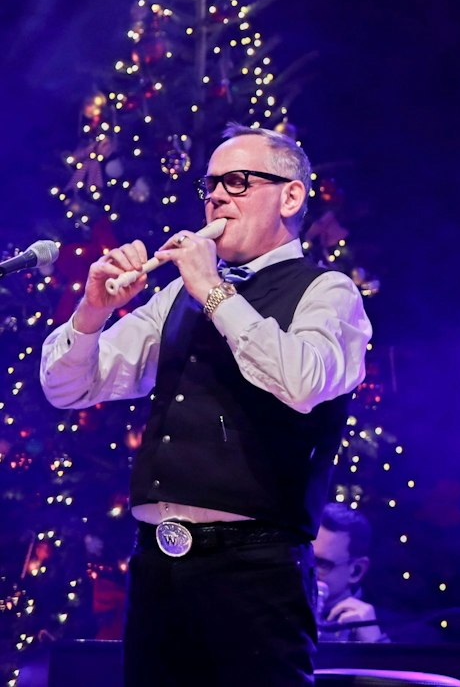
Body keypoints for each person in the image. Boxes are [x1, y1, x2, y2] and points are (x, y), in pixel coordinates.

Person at [40, 124, 373, 686]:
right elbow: (68, 389)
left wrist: (216, 292)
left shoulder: (328, 290)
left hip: (254, 569)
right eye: (211, 183)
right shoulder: (177, 293)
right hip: (158, 565)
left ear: (290, 196)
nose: (216, 196)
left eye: (238, 181)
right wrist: (92, 314)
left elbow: (305, 380)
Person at [315, 502, 388, 644]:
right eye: (303, 558)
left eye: (322, 563)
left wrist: (376, 646)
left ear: (356, 571)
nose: (304, 571)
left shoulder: (390, 626)